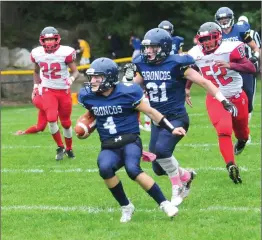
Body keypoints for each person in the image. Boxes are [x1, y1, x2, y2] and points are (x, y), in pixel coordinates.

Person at [123, 28, 237, 206]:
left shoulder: (177, 63)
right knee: (158, 167)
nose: (148, 52)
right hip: (157, 119)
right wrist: (122, 85)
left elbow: (204, 82)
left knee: (162, 151)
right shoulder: (142, 64)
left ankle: (178, 187)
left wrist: (223, 99)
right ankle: (186, 175)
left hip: (176, 117)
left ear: (165, 47)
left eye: (153, 48)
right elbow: (130, 86)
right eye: (147, 48)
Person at [78, 57, 185, 222]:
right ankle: (126, 206)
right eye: (92, 77)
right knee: (105, 168)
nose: (92, 81)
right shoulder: (89, 97)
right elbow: (92, 118)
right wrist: (85, 131)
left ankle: (164, 203)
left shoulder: (127, 92)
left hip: (130, 141)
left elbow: (151, 112)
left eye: (97, 77)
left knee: (132, 169)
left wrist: (172, 128)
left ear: (109, 78)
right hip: (108, 145)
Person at [185, 22, 256, 184]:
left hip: (237, 95)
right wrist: (187, 88)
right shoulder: (194, 53)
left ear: (218, 37)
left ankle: (242, 141)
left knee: (243, 133)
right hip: (215, 97)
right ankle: (231, 165)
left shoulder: (231, 48)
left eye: (209, 39)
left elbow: (251, 68)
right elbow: (192, 70)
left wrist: (231, 65)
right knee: (223, 131)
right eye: (203, 39)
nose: (206, 43)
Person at [30, 26, 79, 160]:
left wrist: (71, 78)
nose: (49, 42)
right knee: (51, 119)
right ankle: (60, 146)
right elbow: (35, 71)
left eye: (52, 39)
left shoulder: (66, 52)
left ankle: (69, 148)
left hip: (63, 90)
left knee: (66, 123)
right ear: (42, 41)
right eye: (47, 40)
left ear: (57, 39)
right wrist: (35, 86)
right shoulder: (37, 53)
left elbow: (76, 71)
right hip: (48, 89)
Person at [214, 7, 261, 143]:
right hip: (227, 70)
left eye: (225, 19)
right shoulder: (217, 33)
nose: (223, 22)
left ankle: (245, 131)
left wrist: (255, 57)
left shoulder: (240, 30)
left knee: (248, 102)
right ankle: (237, 131)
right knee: (227, 100)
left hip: (242, 67)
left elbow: (255, 47)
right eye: (221, 19)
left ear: (231, 19)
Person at [238, 15, 261, 143]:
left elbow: (257, 49)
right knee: (246, 100)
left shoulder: (249, 34)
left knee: (247, 100)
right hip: (242, 68)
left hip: (247, 68)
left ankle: (244, 130)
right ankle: (243, 130)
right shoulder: (237, 33)